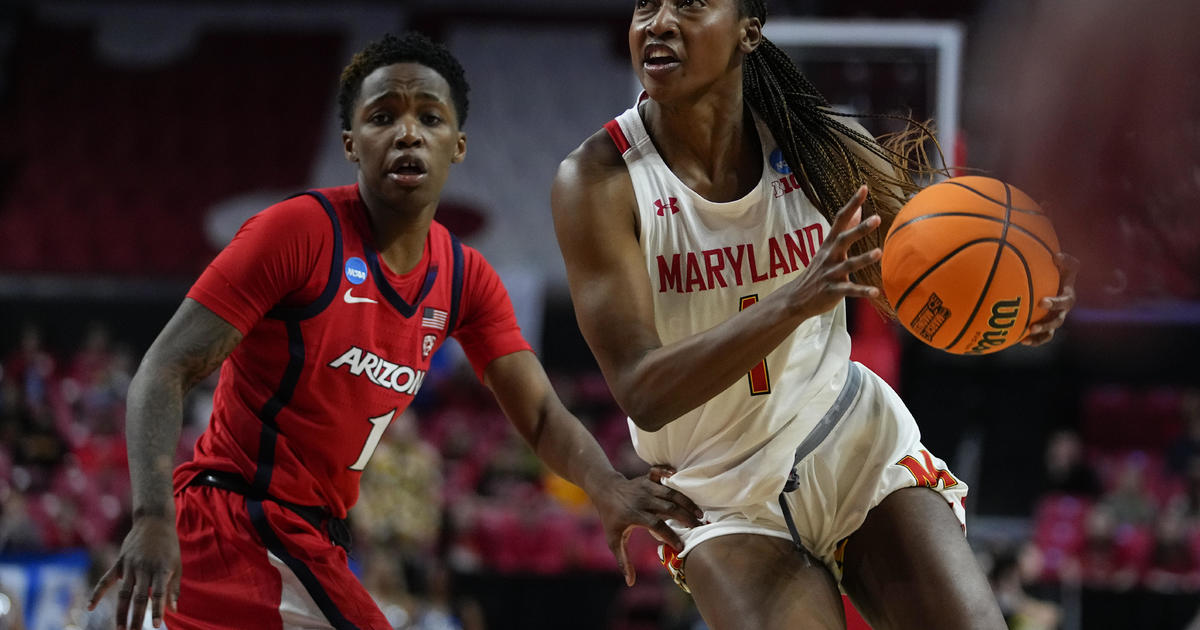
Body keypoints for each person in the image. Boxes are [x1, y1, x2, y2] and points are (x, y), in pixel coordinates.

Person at [87, 32, 702, 630]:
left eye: (429, 118)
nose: (408, 132)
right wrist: (150, 516)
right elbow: (165, 367)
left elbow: (539, 413)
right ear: (353, 143)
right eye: (384, 116)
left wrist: (604, 486)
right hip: (240, 519)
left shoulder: (464, 277)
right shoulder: (297, 232)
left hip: (308, 535)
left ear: (457, 144)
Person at [550, 1, 1078, 628]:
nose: (658, 22)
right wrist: (794, 300)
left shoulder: (822, 146)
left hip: (845, 435)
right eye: (645, 4)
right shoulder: (597, 181)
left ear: (749, 29)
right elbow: (641, 390)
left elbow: (927, 279)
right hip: (720, 491)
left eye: (689, 3)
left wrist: (1012, 305)